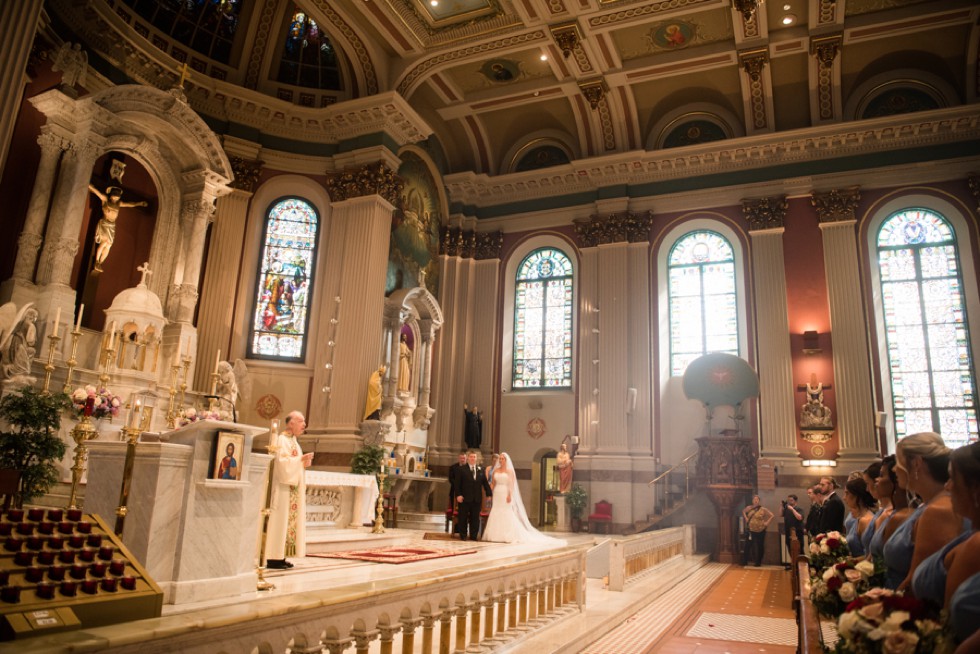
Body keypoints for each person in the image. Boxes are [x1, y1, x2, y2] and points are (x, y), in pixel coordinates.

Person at [883, 431, 963, 591]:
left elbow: (916, 582)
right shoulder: (926, 505)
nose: (894, 470)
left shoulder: (938, 510)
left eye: (899, 461)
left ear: (917, 464)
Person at [265, 411, 313, 569]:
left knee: (287, 522)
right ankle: (273, 557)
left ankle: (281, 555)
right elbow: (282, 464)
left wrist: (303, 462)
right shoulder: (281, 439)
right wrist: (300, 460)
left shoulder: (293, 441)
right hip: (282, 489)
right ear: (290, 423)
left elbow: (293, 463)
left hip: (291, 490)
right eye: (301, 421)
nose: (304, 425)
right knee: (280, 520)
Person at [483, 452, 566, 545]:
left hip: (505, 493)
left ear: (506, 460)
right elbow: (493, 483)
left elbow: (511, 484)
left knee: (506, 511)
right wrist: (489, 493)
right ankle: (494, 535)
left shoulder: (510, 471)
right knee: (496, 510)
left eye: (503, 459)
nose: (501, 460)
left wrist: (509, 495)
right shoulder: (496, 471)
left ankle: (507, 534)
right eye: (500, 459)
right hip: (497, 493)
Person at [87, 184, 148, 273]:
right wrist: (90, 186)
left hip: (112, 226)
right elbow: (97, 192)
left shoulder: (119, 204)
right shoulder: (105, 200)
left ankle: (100, 263)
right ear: (111, 195)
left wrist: (139, 203)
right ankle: (96, 261)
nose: (116, 199)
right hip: (105, 224)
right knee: (104, 242)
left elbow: (129, 204)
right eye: (114, 196)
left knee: (109, 245)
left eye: (117, 197)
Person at [452, 450, 492, 541]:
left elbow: (485, 483)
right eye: (471, 457)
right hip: (464, 498)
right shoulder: (461, 469)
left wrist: (489, 494)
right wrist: (458, 495)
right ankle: (463, 535)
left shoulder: (481, 470)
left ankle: (473, 535)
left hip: (476, 498)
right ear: (467, 458)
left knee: (475, 518)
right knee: (463, 517)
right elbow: (457, 484)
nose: (473, 458)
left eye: (474, 457)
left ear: (476, 458)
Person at [842, 477, 876, 557]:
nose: (844, 497)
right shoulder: (858, 517)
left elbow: (869, 555)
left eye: (847, 493)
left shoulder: (866, 520)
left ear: (858, 496)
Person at [741, 495, 773, 567]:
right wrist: (746, 518)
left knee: (760, 546)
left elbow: (772, 515)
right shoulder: (749, 508)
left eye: (757, 499)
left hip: (760, 530)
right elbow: (743, 511)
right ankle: (745, 561)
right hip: (751, 530)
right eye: (754, 499)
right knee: (747, 545)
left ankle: (758, 562)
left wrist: (766, 523)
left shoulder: (763, 509)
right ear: (752, 500)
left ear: (759, 501)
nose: (755, 500)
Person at [781, 494, 804, 568]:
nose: (789, 502)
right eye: (788, 500)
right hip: (788, 531)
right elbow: (780, 514)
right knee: (790, 547)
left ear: (795, 501)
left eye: (791, 500)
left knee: (799, 548)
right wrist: (782, 506)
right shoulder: (787, 509)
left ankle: (801, 565)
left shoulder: (799, 509)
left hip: (798, 532)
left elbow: (800, 517)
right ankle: (794, 563)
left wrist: (792, 509)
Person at [447, 451, 467, 535]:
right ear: (459, 458)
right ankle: (455, 529)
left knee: (464, 510)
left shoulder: (468, 467)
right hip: (454, 491)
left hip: (466, 492)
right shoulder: (453, 467)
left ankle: (463, 528)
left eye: (464, 458)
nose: (462, 459)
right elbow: (451, 479)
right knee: (455, 509)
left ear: (466, 459)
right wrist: (458, 486)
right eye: (461, 458)